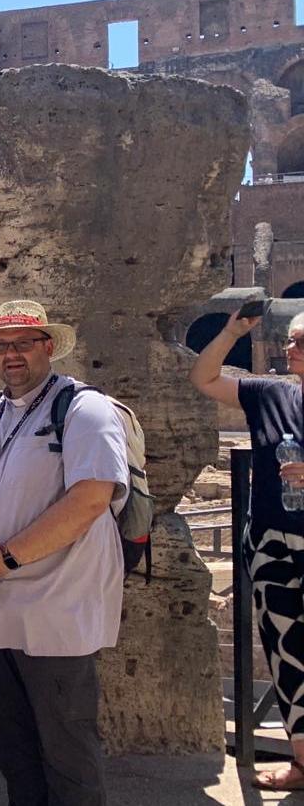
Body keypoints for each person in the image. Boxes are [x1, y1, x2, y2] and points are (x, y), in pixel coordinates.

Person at [0, 300, 127, 806]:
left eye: (22, 343)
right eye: (1, 346)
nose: (11, 355)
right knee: (13, 749)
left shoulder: (84, 408)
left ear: (47, 347)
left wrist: (6, 557)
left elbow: (90, 498)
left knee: (68, 751)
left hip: (52, 611)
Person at [190, 303, 304, 790]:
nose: (290, 348)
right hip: (273, 544)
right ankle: (303, 764)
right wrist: (232, 331)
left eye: (301, 342)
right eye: (292, 340)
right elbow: (205, 376)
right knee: (286, 654)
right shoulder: (271, 393)